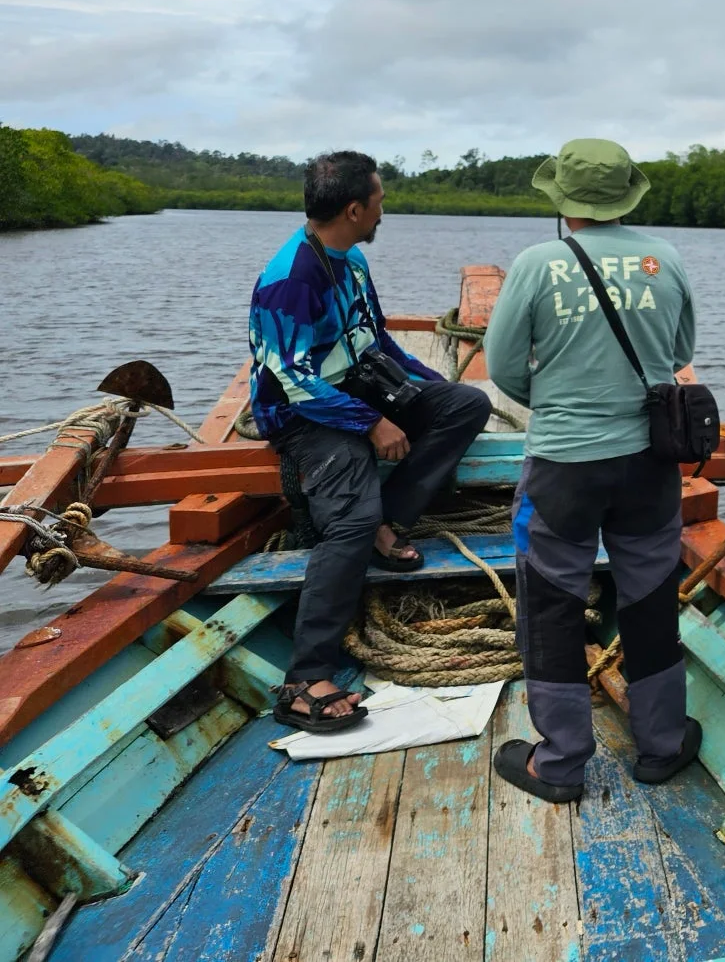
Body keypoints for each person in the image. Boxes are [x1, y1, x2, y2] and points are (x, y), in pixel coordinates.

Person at [482, 137, 700, 802]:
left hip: (563, 467)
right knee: (651, 596)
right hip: (648, 465)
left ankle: (561, 762)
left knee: (551, 606)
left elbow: (502, 368)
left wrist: (560, 403)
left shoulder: (535, 263)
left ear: (562, 203)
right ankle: (662, 744)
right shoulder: (665, 258)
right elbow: (681, 350)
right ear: (626, 196)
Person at [249, 150, 492, 732]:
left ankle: (390, 521)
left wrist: (427, 388)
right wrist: (369, 423)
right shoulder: (290, 280)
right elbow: (289, 377)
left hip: (357, 390)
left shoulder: (351, 258)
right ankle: (305, 678)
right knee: (349, 522)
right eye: (379, 201)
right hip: (305, 414)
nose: (384, 210)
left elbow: (375, 339)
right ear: (355, 209)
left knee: (467, 405)